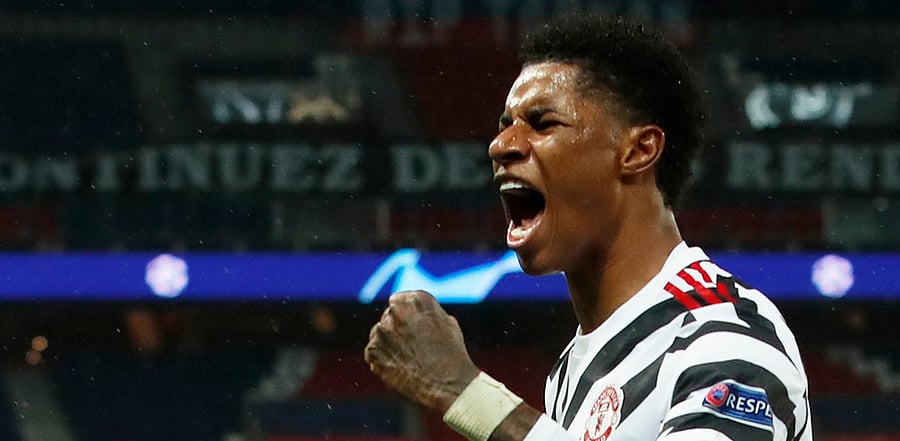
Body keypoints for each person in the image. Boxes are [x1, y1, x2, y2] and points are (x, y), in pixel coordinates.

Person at [364, 14, 812, 441]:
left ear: (638, 151)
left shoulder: (722, 334)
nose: (502, 145)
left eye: (542, 123)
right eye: (505, 127)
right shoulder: (570, 373)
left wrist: (465, 393)